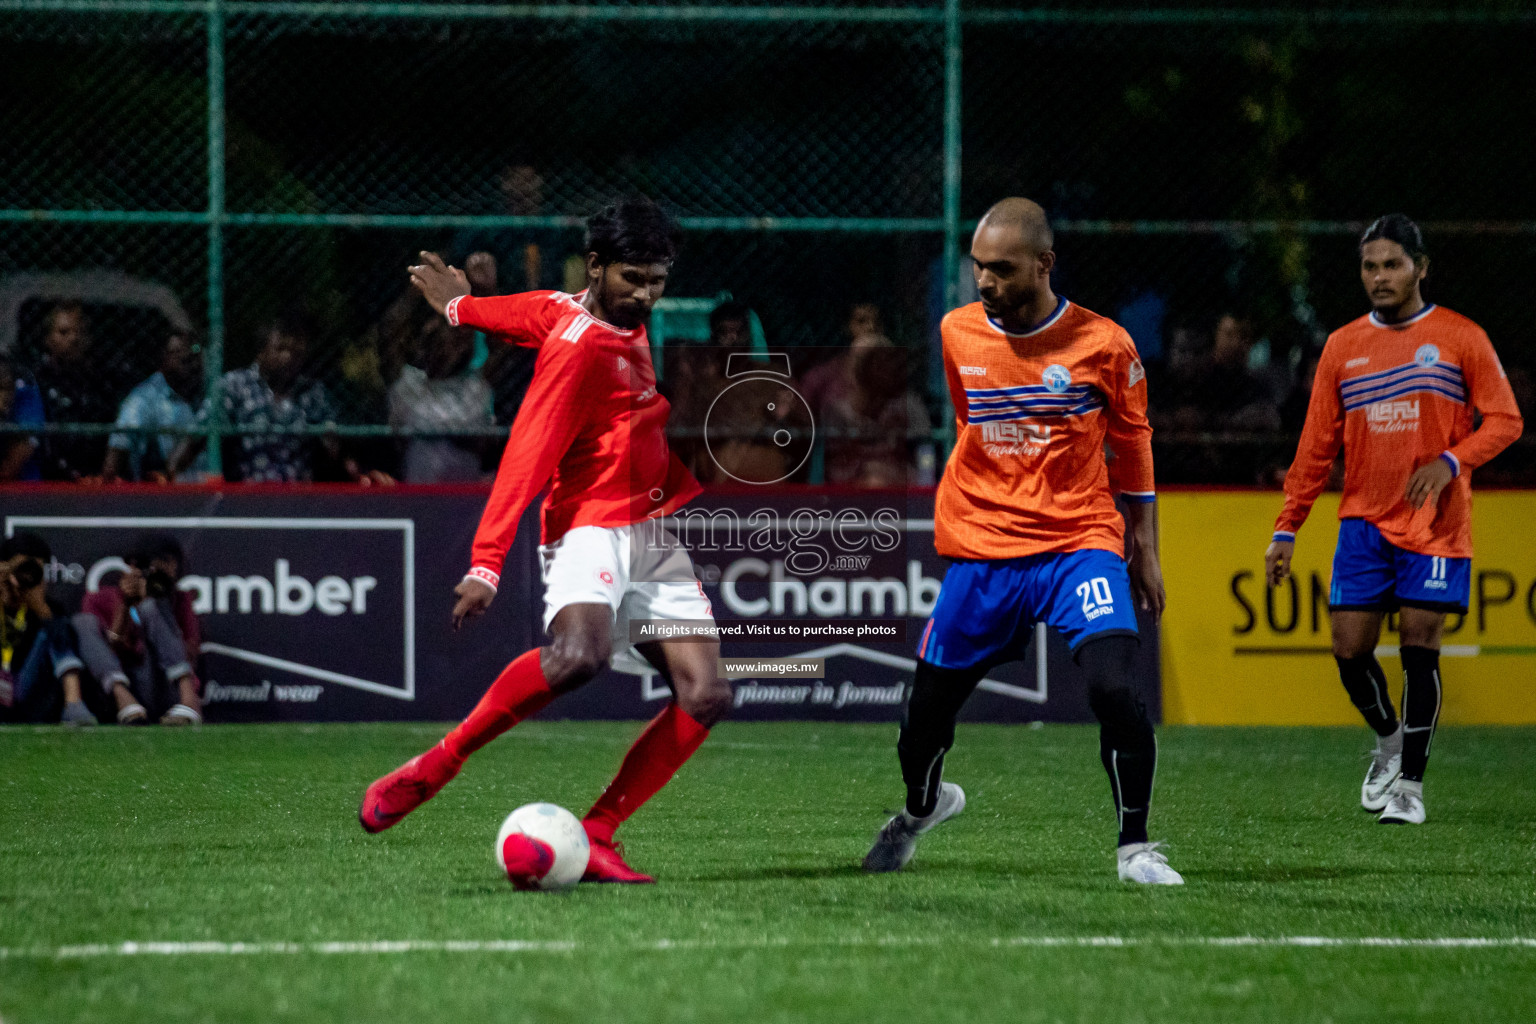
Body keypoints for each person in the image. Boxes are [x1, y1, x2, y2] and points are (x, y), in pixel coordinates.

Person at [360, 197, 732, 884]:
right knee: (578, 658)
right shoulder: (578, 351)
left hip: (648, 528)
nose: (646, 295)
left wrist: (461, 308)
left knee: (706, 692)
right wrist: (486, 564)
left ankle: (597, 834)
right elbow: (526, 456)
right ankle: (437, 762)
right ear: (596, 266)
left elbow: (525, 312)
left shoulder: (581, 307)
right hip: (588, 524)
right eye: (632, 279)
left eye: (657, 280)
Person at [862, 197, 1182, 885]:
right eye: (979, 269)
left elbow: (1132, 442)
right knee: (923, 718)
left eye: (1002, 270)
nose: (985, 283)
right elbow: (967, 419)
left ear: (1044, 265)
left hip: (1078, 543)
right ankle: (922, 808)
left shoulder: (1105, 344)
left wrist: (1145, 543)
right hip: (984, 549)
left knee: (1114, 690)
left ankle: (1136, 849)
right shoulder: (957, 333)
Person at [1264, 214, 1523, 825]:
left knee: (1419, 647)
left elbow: (1506, 420)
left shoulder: (1461, 337)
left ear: (1421, 267)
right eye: (1369, 266)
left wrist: (1451, 462)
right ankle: (1386, 739)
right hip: (1363, 522)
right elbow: (1315, 446)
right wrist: (1286, 527)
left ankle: (1410, 785)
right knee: (1349, 650)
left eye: (1392, 265)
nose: (1379, 277)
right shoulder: (1343, 346)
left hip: (1435, 523)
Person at [167, 311, 339, 483]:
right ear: (261, 352)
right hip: (248, 498)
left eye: (296, 352)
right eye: (280, 349)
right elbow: (197, 435)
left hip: (300, 499)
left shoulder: (312, 392)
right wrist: (173, 473)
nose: (288, 358)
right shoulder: (235, 386)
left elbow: (332, 451)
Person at [74, 535, 203, 726]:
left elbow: (191, 655)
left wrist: (156, 608)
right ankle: (124, 700)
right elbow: (105, 649)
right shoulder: (99, 599)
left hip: (164, 686)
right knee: (82, 622)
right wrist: (125, 605)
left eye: (169, 562)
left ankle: (189, 701)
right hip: (118, 688)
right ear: (132, 568)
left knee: (150, 607)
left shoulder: (179, 599)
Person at [388, 315, 494, 482]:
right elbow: (390, 333)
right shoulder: (409, 384)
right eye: (433, 341)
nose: (442, 349)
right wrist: (415, 292)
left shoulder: (475, 389)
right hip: (419, 490)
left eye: (452, 342)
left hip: (463, 492)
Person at [0, 532, 92, 725]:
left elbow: (62, 642)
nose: (26, 576)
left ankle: (74, 704)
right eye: (21, 568)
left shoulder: (48, 608)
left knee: (54, 629)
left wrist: (42, 611)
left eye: (34, 570)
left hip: (23, 693)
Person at [102, 329, 207, 482]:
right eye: (177, 352)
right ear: (163, 357)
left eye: (194, 352)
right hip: (163, 494)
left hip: (209, 491)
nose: (187, 357)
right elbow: (117, 453)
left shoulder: (208, 397)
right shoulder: (143, 399)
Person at [32, 302, 117, 481]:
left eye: (80, 332)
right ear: (48, 339)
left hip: (96, 480)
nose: (73, 338)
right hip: (50, 481)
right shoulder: (37, 382)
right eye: (64, 332)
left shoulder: (101, 383)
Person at [1, 355, 45, 481]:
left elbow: (11, 467)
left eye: (9, 389)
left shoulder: (25, 393)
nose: (6, 396)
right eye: (0, 389)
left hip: (23, 488)